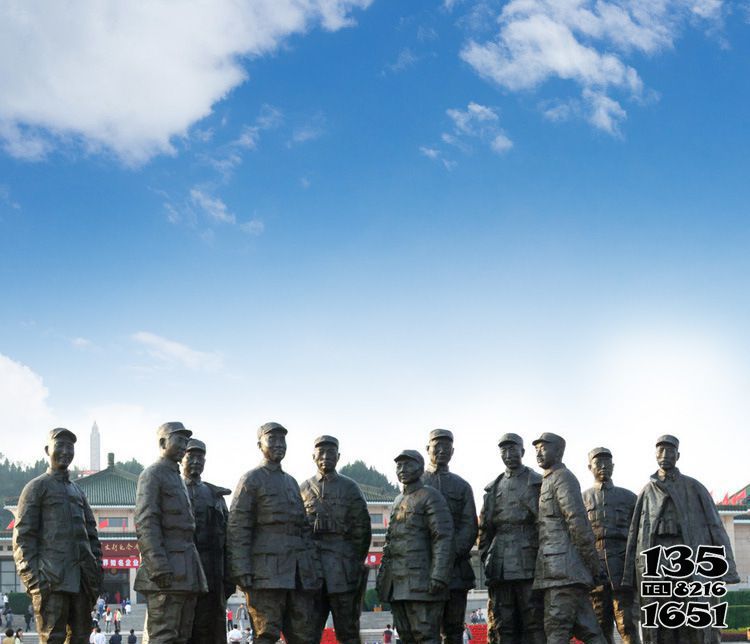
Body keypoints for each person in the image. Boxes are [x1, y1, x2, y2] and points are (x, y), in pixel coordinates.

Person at [623, 435, 740, 644]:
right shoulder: (646, 492)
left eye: (670, 451)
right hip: (656, 562)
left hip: (689, 560)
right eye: (660, 451)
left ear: (678, 455)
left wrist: (728, 567)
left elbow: (716, 527)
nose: (665, 455)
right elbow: (634, 534)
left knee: (695, 616)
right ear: (655, 455)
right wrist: (628, 576)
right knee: (660, 619)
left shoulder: (694, 488)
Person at [227, 422, 322, 644]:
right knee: (266, 633)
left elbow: (303, 530)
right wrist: (241, 569)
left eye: (282, 440)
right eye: (273, 439)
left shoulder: (291, 482)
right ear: (259, 444)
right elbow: (237, 528)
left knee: (303, 634)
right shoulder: (251, 480)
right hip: (265, 573)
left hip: (297, 573)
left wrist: (312, 569)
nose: (279, 445)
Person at [12, 427, 103, 644]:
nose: (65, 451)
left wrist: (96, 572)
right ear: (47, 449)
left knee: (81, 638)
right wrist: (35, 581)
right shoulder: (36, 487)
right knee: (54, 637)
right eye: (59, 445)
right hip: (51, 580)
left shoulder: (78, 491)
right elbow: (23, 539)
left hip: (82, 580)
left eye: (70, 447)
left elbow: (92, 537)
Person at [134, 422, 208, 644]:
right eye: (179, 440)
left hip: (187, 568)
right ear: (162, 442)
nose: (183, 446)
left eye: (186, 441)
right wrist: (158, 566)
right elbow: (146, 522)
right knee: (163, 635)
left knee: (182, 635)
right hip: (166, 571)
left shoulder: (176, 477)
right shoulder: (153, 474)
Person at [532, 432, 606, 644]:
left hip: (562, 573)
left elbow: (578, 524)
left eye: (544, 447)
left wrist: (593, 566)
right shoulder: (550, 479)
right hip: (564, 573)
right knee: (590, 630)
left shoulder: (563, 478)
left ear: (559, 451)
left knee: (557, 632)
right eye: (536, 448)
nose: (538, 452)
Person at [376, 450, 455, 644]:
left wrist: (438, 575)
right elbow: (390, 543)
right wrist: (383, 580)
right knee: (405, 636)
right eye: (399, 465)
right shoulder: (396, 501)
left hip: (422, 581)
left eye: (408, 465)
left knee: (425, 635)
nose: (402, 469)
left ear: (420, 468)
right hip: (397, 583)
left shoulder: (431, 496)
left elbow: (443, 537)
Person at [299, 435, 372, 644]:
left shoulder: (350, 487)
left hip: (343, 569)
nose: (325, 457)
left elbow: (362, 529)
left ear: (338, 456)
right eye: (321, 452)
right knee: (307, 632)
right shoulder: (303, 488)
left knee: (347, 631)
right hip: (312, 571)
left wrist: (352, 562)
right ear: (313, 456)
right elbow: (297, 528)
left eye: (331, 452)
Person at [478, 432, 544, 644]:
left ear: (523, 452)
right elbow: (485, 529)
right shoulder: (493, 487)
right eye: (504, 450)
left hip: (529, 558)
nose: (508, 454)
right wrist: (486, 556)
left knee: (533, 617)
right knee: (503, 621)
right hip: (500, 561)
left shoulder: (537, 482)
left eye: (513, 449)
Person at [422, 429, 478, 644]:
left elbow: (469, 527)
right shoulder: (416, 483)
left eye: (447, 447)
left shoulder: (462, 486)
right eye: (437, 446)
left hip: (456, 569)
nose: (442, 451)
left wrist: (449, 554)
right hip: (425, 568)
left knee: (454, 629)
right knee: (427, 628)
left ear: (453, 451)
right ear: (428, 449)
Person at [583, 447, 640, 644]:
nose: (603, 467)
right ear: (589, 467)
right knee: (599, 627)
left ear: (614, 466)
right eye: (598, 463)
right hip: (595, 570)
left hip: (623, 568)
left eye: (607, 463)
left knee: (628, 625)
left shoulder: (630, 498)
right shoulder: (581, 499)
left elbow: (640, 534)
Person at [182, 438, 233, 644]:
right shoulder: (172, 490)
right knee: (182, 627)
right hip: (182, 570)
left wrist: (229, 576)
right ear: (181, 458)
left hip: (211, 570)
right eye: (191, 456)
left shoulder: (215, 495)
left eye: (200, 457)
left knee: (208, 627)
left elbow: (230, 537)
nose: (196, 461)